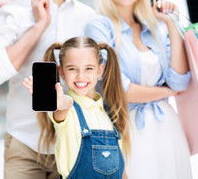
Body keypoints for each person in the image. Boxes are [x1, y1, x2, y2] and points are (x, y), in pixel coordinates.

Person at [0, 0, 96, 178]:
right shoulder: (11, 11)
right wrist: (39, 26)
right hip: (23, 143)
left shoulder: (89, 18)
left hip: (75, 141)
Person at [85, 0, 192, 179]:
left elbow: (180, 81)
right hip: (127, 130)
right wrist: (167, 92)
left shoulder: (156, 27)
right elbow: (120, 91)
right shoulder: (98, 27)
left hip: (167, 129)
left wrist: (171, 23)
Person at [22, 36, 130, 179]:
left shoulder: (108, 114)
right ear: (61, 71)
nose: (81, 76)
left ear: (100, 70)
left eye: (88, 68)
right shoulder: (66, 111)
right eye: (72, 68)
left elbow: (121, 173)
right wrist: (59, 103)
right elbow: (65, 106)